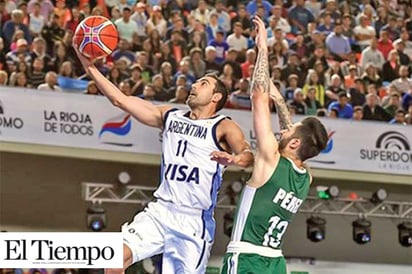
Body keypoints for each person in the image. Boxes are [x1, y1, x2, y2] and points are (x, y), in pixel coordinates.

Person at [73, 45, 254, 273]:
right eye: (196, 82)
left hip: (193, 220)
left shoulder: (224, 126)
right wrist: (89, 66)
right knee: (115, 260)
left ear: (216, 97)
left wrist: (234, 160)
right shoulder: (171, 115)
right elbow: (120, 100)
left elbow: (249, 156)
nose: (194, 85)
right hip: (160, 211)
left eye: (203, 84)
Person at [222, 16, 328, 274]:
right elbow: (291, 133)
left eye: (289, 129)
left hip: (247, 258)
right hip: (276, 263)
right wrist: (280, 102)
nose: (284, 127)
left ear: (293, 143)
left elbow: (258, 97)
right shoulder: (306, 178)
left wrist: (263, 49)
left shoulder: (270, 159)